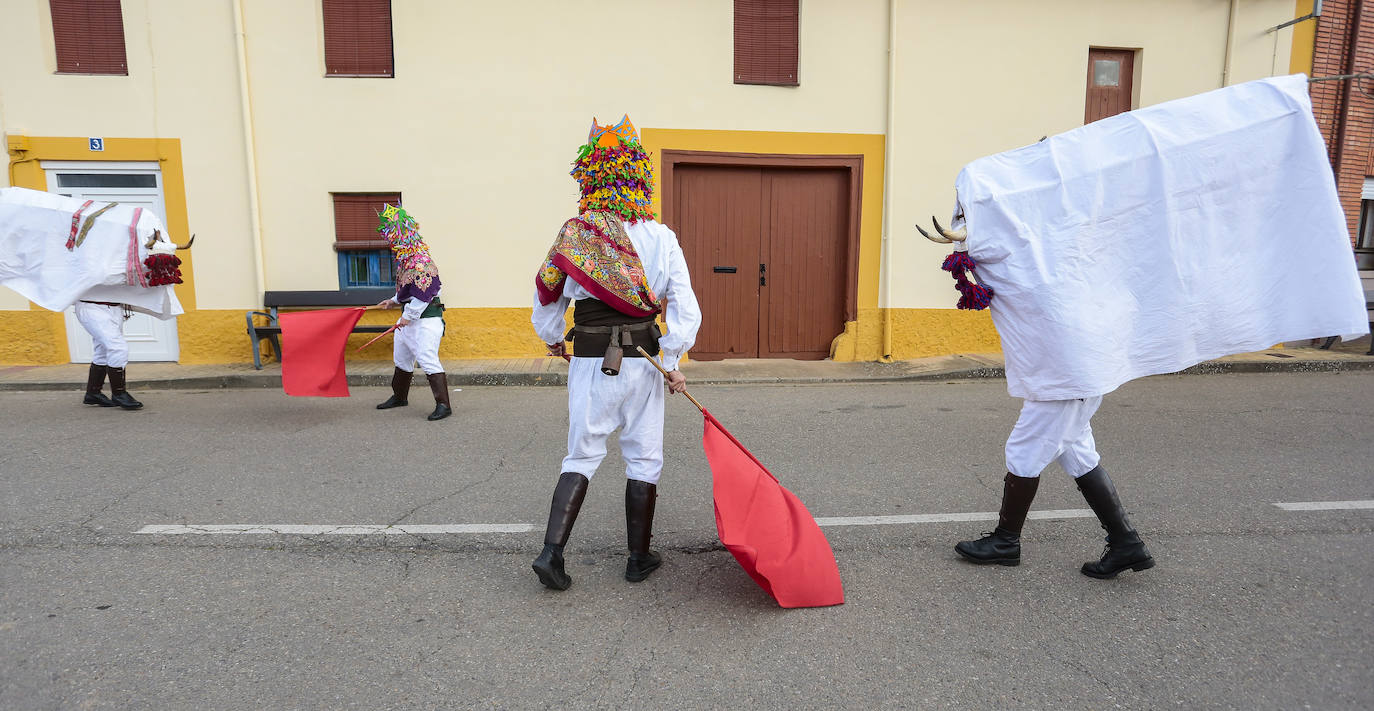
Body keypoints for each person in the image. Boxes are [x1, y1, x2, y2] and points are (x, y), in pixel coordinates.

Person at [529, 115, 701, 591]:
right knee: (643, 457)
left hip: (589, 361)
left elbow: (547, 294)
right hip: (644, 363)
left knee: (580, 456)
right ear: (638, 177)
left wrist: (550, 336)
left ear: (589, 177)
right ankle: (638, 559)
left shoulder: (576, 233)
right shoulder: (661, 237)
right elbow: (685, 306)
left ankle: (551, 553)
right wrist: (671, 361)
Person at [953, 397, 1154, 579]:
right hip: (1072, 384)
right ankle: (1127, 543)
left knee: (1024, 452)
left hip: (1062, 387)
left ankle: (1005, 541)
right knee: (1079, 453)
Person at [371, 204, 451, 421]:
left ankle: (443, 404)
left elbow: (425, 294)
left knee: (427, 357)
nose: (391, 244)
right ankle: (399, 396)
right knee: (402, 357)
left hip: (426, 321)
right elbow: (408, 290)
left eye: (393, 239)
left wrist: (408, 316)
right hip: (409, 319)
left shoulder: (421, 262)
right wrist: (393, 301)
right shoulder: (407, 261)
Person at [75, 300, 143, 410]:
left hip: (114, 307)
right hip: (92, 307)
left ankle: (93, 393)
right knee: (118, 348)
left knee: (102, 350)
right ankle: (119, 394)